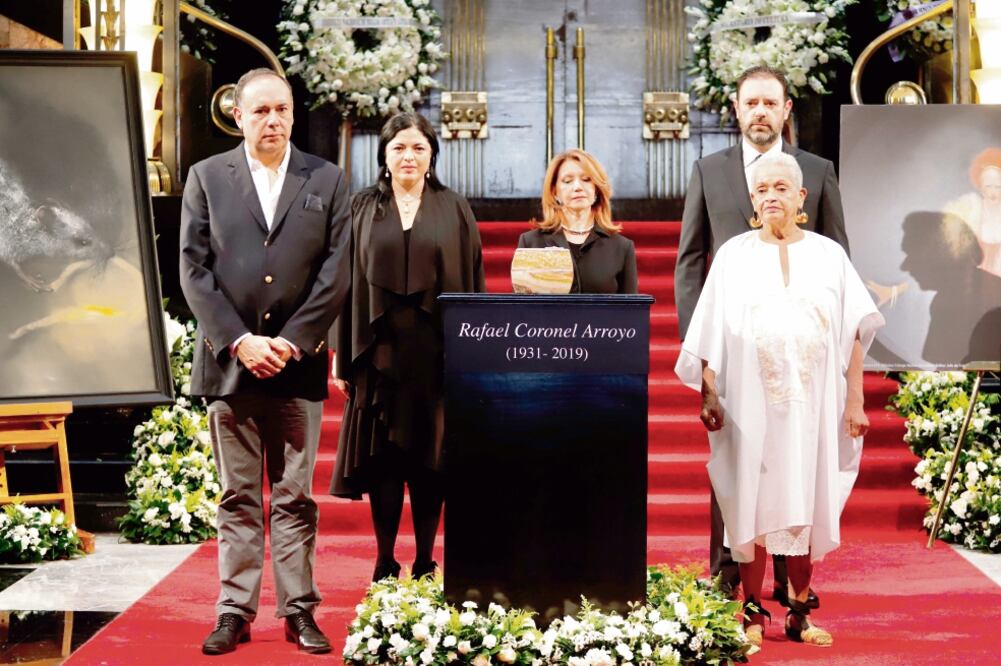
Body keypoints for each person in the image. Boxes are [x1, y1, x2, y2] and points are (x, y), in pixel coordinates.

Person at [675, 152, 883, 651]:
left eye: (780, 188)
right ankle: (752, 611)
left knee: (806, 501)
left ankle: (799, 611)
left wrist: (855, 400)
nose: (770, 196)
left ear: (801, 197)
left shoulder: (829, 256)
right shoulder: (733, 256)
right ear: (752, 201)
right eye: (761, 190)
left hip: (814, 406)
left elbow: (855, 328)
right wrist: (708, 393)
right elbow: (710, 330)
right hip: (749, 405)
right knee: (751, 504)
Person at [179, 68, 350, 656]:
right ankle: (234, 610)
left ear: (293, 114)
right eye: (260, 112)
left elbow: (336, 271)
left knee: (296, 496)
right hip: (231, 365)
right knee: (238, 495)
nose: (272, 121)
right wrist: (239, 339)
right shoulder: (206, 177)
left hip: (297, 367)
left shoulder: (326, 179)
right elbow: (193, 270)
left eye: (281, 110)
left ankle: (299, 611)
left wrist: (294, 341)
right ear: (238, 116)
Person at [675, 65, 850, 606]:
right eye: (750, 103)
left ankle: (789, 584)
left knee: (795, 461)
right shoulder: (709, 170)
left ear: (785, 110)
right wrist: (703, 350)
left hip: (801, 356)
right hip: (734, 351)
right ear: (736, 108)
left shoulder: (818, 172)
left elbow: (840, 262)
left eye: (769, 103)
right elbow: (689, 263)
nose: (759, 112)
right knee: (735, 461)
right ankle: (729, 579)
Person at [331, 112, 485, 582]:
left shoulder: (454, 207)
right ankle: (383, 558)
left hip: (436, 350)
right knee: (383, 459)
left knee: (429, 459)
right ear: (383, 155)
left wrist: (472, 353)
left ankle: (423, 558)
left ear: (432, 154)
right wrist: (340, 352)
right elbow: (343, 282)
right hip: (375, 350)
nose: (408, 156)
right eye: (398, 147)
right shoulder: (360, 207)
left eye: (418, 147)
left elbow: (473, 279)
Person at [517, 149, 638, 294]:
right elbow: (522, 308)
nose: (577, 187)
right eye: (568, 181)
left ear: (596, 190)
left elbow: (630, 311)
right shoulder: (531, 242)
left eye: (586, 180)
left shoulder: (622, 247)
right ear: (555, 192)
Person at [943, 147, 1001, 278]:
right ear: (980, 187)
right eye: (988, 186)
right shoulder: (969, 213)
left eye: (998, 186)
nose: (993, 192)